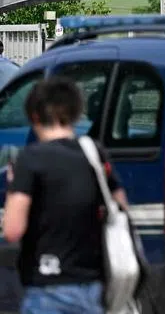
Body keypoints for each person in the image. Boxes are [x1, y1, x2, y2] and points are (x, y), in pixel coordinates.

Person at [2, 76, 129, 314]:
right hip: (92, 286)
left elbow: (12, 230)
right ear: (76, 113)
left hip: (46, 287)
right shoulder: (94, 154)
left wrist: (13, 187)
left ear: (34, 116)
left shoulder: (31, 159)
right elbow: (121, 208)